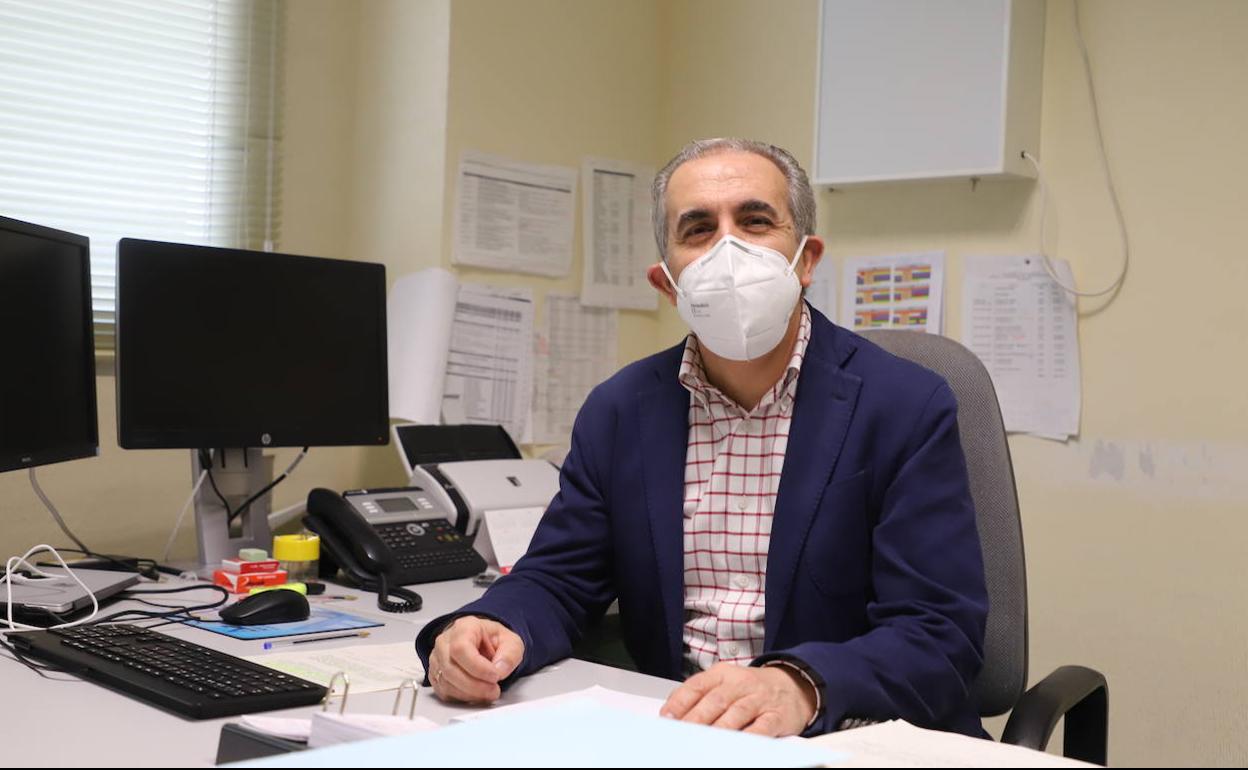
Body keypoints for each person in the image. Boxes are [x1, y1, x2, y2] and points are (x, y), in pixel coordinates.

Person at [416, 138, 988, 737]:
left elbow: (938, 632)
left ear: (807, 259)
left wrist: (798, 684)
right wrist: (491, 627)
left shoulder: (905, 404)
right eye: (697, 229)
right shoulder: (620, 411)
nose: (728, 247)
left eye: (755, 221)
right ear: (667, 284)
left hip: (855, 733)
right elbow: (560, 579)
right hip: (685, 733)